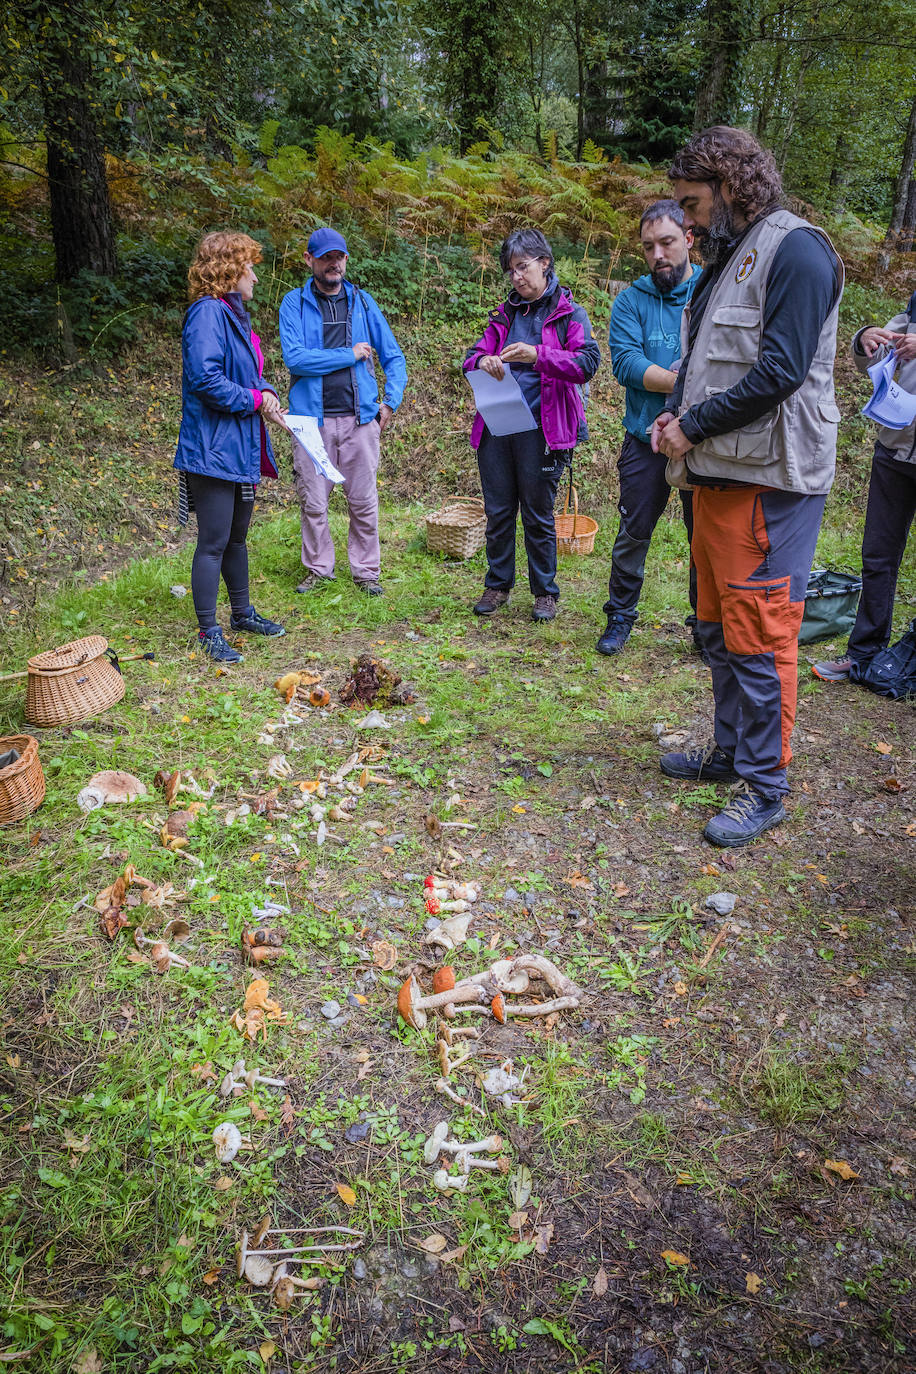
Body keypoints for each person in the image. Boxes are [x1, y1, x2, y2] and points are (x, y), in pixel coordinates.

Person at [651, 126, 844, 847]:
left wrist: (692, 426)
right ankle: (730, 753)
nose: (688, 223)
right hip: (717, 478)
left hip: (771, 484)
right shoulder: (731, 254)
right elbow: (709, 365)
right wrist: (677, 414)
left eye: (693, 205)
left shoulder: (796, 250)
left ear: (731, 185)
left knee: (759, 637)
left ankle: (766, 786)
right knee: (718, 629)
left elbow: (781, 372)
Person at [463, 228, 601, 622]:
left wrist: (537, 354)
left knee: (538, 513)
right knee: (499, 509)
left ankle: (544, 592)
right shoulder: (504, 314)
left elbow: (586, 364)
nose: (517, 277)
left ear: (544, 262)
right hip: (497, 425)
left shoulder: (569, 315)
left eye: (522, 267)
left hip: (544, 429)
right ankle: (497, 585)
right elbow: (471, 356)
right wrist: (482, 362)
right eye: (511, 271)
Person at [173, 231, 287, 665]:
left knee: (237, 538)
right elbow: (205, 380)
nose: (255, 277)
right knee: (214, 541)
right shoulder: (207, 313)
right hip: (212, 449)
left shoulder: (234, 316)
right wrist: (255, 400)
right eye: (249, 267)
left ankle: (242, 614)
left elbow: (246, 375)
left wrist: (268, 393)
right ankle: (208, 629)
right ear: (229, 269)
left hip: (239, 447)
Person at [279, 227, 407, 597]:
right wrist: (348, 354)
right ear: (310, 260)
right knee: (314, 503)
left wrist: (390, 402)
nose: (334, 264)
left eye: (340, 257)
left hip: (359, 420)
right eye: (325, 258)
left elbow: (393, 356)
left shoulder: (364, 303)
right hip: (310, 423)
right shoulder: (293, 303)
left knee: (364, 502)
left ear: (346, 259)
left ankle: (367, 572)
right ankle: (319, 570)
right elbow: (296, 359)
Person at [598, 200, 702, 655]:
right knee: (634, 532)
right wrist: (683, 382)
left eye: (667, 242)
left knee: (707, 540)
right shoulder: (631, 300)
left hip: (703, 438)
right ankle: (620, 616)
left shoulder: (710, 291)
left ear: (689, 239)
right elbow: (625, 364)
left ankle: (707, 626)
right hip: (646, 439)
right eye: (648, 247)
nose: (658, 254)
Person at [813, 290, 916, 683]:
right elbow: (870, 357)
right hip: (894, 449)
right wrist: (865, 338)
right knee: (878, 556)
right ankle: (863, 655)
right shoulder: (913, 303)